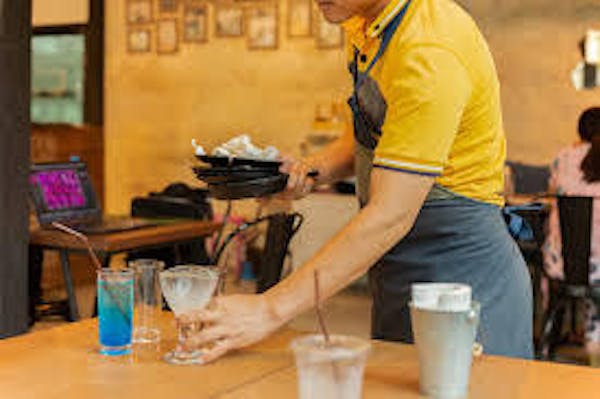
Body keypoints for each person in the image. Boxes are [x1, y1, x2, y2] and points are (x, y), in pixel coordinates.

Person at [188, 0, 533, 361]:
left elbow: (391, 215)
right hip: (398, 267)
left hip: (462, 274)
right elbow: (376, 133)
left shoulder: (430, 50)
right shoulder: (367, 25)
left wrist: (268, 309)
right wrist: (310, 170)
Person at [542, 107, 600, 366]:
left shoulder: (563, 157)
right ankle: (593, 340)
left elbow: (552, 191)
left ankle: (547, 340)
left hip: (562, 265)